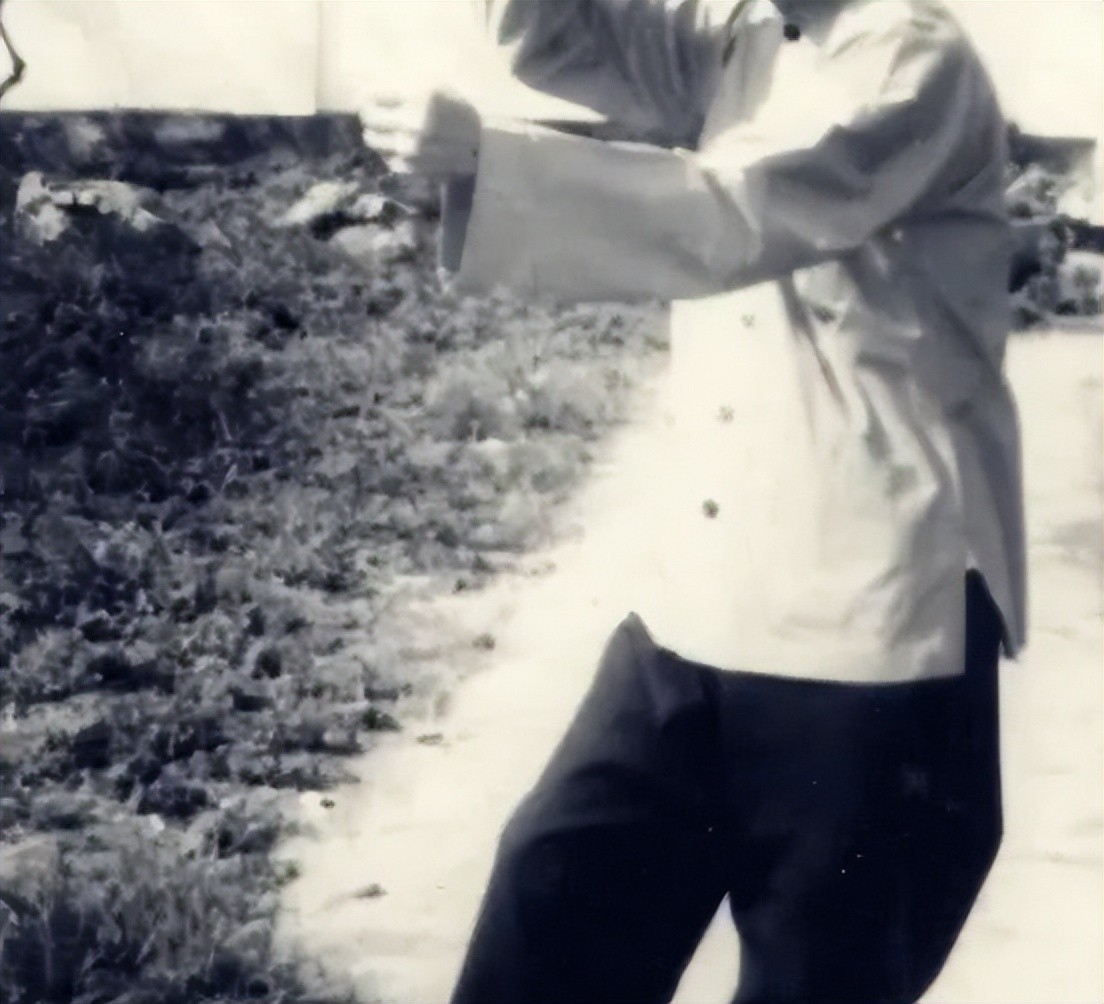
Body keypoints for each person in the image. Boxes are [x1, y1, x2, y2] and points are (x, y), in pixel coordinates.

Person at [364, 1, 1027, 1001]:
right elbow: (556, 35)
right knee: (550, 914)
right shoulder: (746, 36)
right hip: (698, 609)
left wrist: (484, 158)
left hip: (871, 635)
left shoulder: (910, 57)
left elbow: (732, 213)